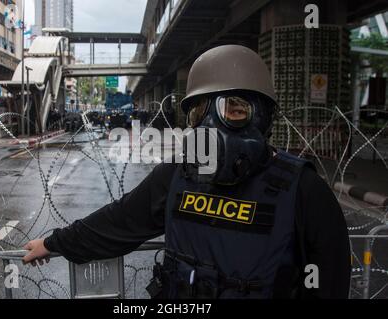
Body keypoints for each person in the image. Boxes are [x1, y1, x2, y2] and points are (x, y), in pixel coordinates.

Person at [23, 45, 350, 299]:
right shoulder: (178, 177)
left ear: (262, 117)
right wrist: (54, 243)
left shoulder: (303, 191)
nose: (212, 127)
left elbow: (329, 285)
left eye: (234, 109)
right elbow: (119, 222)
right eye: (200, 113)